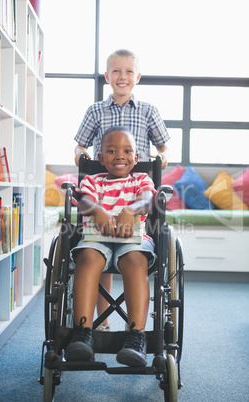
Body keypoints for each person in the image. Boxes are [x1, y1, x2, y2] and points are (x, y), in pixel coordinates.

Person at [74, 49, 169, 330]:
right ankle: (99, 323)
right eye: (116, 71)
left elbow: (163, 146)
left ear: (137, 77)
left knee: (131, 255)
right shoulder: (95, 111)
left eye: (128, 71)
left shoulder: (148, 111)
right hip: (102, 187)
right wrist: (79, 153)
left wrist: (163, 156)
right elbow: (80, 144)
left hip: (137, 187)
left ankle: (134, 330)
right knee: (96, 254)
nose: (122, 76)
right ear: (107, 76)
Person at [66, 127, 157, 367]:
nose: (120, 155)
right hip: (97, 239)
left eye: (127, 151)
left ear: (136, 158)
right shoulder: (92, 180)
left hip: (133, 240)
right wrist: (97, 210)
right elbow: (84, 200)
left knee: (136, 262)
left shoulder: (141, 180)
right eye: (112, 151)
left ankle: (136, 337)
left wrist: (131, 210)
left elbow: (147, 200)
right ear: (101, 158)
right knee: (87, 258)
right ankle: (83, 333)